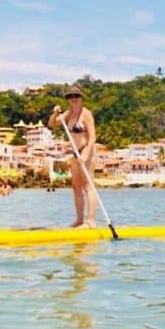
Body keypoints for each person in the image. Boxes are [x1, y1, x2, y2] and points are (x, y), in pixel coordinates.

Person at [48, 85, 97, 228]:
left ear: (81, 98)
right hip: (75, 154)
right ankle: (80, 220)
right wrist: (55, 113)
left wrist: (86, 153)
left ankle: (91, 220)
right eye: (70, 97)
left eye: (76, 96)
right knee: (76, 187)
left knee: (88, 186)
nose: (73, 99)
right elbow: (51, 124)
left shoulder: (86, 114)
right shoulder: (69, 113)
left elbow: (93, 136)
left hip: (86, 151)